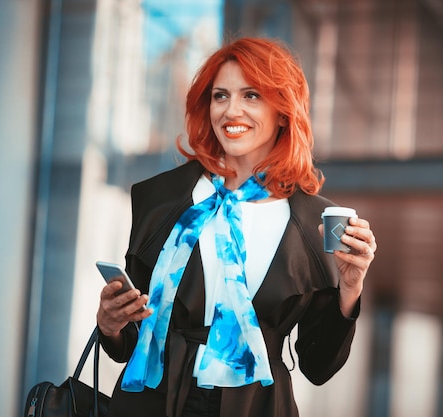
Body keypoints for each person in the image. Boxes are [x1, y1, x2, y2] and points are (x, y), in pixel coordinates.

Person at [96, 37, 377, 417]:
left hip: (256, 407)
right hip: (153, 403)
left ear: (282, 112)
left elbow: (318, 366)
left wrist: (350, 288)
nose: (231, 111)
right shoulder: (161, 199)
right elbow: (130, 341)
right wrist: (110, 324)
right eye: (220, 96)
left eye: (251, 96)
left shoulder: (314, 223)